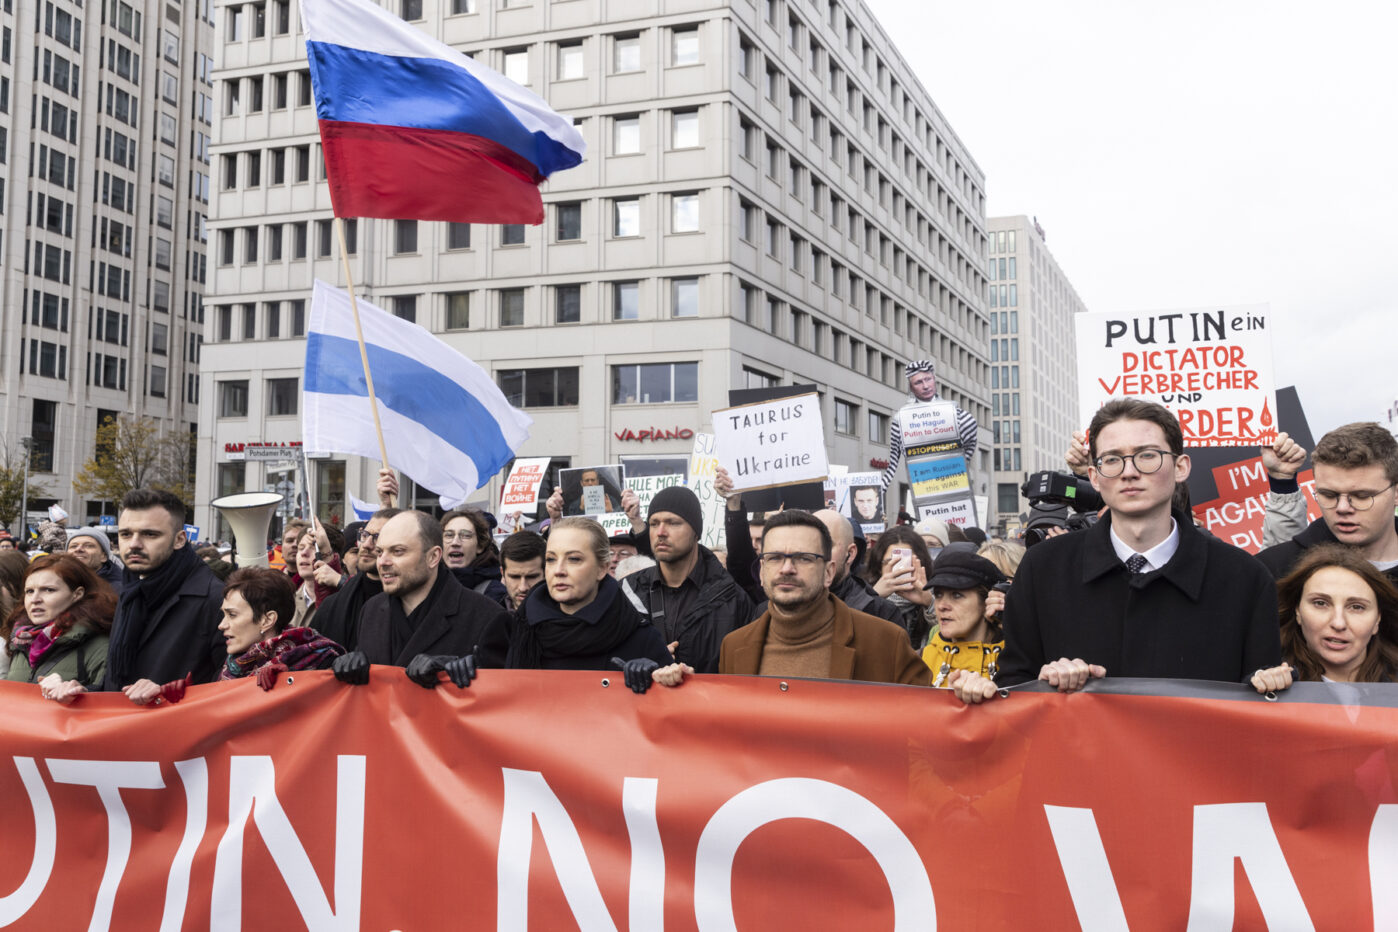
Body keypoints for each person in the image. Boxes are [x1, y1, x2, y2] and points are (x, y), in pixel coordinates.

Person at [954, 399, 1281, 704]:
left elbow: (1261, 703)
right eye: (1112, 459)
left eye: (1147, 455)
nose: (1129, 471)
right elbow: (1015, 687)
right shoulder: (1043, 569)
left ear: (1181, 467)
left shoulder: (1245, 578)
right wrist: (1044, 684)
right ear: (1094, 477)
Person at [677, 510, 930, 686]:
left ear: (829, 572)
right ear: (762, 571)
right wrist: (681, 685)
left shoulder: (886, 642)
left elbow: (924, 725)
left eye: (803, 558)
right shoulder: (734, 647)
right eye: (775, 557)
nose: (787, 568)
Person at [474, 517, 671, 691]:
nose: (559, 570)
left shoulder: (641, 639)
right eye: (551, 559)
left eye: (574, 559)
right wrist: (470, 676)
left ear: (602, 568)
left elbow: (669, 713)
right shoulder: (515, 631)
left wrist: (657, 682)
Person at [331, 510, 507, 685]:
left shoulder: (487, 617)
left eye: (397, 551)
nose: (382, 562)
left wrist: (466, 673)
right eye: (380, 551)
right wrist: (351, 668)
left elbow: (503, 693)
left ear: (433, 557)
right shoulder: (371, 610)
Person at [102, 489, 226, 704]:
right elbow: (114, 683)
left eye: (150, 534)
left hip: (178, 724)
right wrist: (80, 692)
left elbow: (231, 688)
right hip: (121, 721)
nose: (134, 544)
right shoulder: (131, 588)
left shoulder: (215, 599)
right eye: (125, 534)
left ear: (179, 540)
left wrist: (166, 694)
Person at [620, 486, 751, 673]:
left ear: (696, 531)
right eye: (654, 523)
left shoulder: (731, 598)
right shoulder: (628, 591)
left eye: (673, 523)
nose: (660, 532)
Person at [1258, 423, 1398, 583]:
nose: (1342, 508)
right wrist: (1282, 481)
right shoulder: (1275, 568)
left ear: (1396, 493)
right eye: (1329, 495)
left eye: (1362, 496)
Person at [1251, 544, 1398, 692]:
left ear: (1378, 619)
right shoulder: (1268, 686)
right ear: (1298, 611)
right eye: (1320, 603)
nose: (1338, 623)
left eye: (1356, 607)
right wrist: (1261, 690)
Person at [217, 568, 345, 690]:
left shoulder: (322, 662)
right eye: (224, 614)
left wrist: (289, 681)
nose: (221, 625)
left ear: (267, 620)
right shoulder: (233, 665)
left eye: (232, 615)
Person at [6, 555, 116, 695]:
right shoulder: (20, 640)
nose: (35, 599)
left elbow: (110, 701)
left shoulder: (100, 645)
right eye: (29, 591)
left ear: (77, 594)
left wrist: (80, 693)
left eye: (49, 590)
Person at [879, 360, 979, 503]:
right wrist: (875, 493)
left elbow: (970, 441)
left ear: (934, 380)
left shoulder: (955, 413)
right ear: (911, 387)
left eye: (928, 379)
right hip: (923, 486)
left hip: (952, 484)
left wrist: (958, 467)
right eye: (918, 382)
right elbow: (893, 463)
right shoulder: (901, 419)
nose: (925, 386)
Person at [312, 508, 399, 652]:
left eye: (378, 537)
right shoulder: (332, 606)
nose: (366, 544)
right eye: (364, 535)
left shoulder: (409, 606)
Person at [922, 549, 1006, 687]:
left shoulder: (1016, 662)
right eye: (938, 595)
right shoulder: (920, 661)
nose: (942, 606)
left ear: (987, 601)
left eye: (956, 595)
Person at [866, 526, 936, 647]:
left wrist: (930, 604)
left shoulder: (937, 595)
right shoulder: (860, 593)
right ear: (879, 566)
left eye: (906, 562)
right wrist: (873, 598)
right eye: (891, 561)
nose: (900, 569)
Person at [441, 508, 509, 606]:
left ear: (480, 546)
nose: (455, 542)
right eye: (449, 535)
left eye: (466, 535)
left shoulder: (495, 593)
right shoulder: (427, 586)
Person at [289, 522, 345, 629]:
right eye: (300, 548)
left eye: (314, 547)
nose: (304, 553)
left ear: (333, 555)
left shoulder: (345, 599)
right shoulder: (287, 600)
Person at [67, 528, 125, 596]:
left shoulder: (117, 590)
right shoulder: (60, 581)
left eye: (88, 546)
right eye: (73, 546)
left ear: (104, 556)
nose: (78, 549)